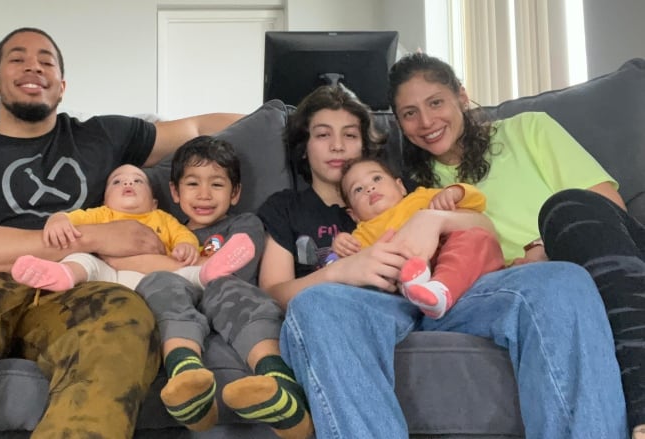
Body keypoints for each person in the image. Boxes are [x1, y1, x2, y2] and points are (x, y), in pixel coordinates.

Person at [0, 27, 243, 438]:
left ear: (61, 86)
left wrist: (296, 121)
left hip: (79, 287)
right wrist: (95, 237)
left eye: (46, 61)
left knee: (125, 318)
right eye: (17, 59)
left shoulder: (102, 136)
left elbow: (196, 129)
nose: (33, 66)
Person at [257, 83, 628, 437]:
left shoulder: (408, 187)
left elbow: (480, 227)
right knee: (314, 306)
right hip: (367, 303)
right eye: (323, 135)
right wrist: (341, 271)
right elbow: (272, 293)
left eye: (350, 135)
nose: (338, 145)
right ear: (303, 146)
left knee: (562, 280)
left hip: (451, 291)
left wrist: (433, 220)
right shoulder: (289, 208)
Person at [389, 51, 644, 438]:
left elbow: (607, 207)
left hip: (596, 250)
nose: (426, 122)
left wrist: (545, 246)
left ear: (462, 95)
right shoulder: (415, 194)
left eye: (436, 102)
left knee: (565, 208)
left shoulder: (528, 129)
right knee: (556, 283)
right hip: (529, 287)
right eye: (409, 113)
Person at [115, 136, 311, 439]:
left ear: (235, 193)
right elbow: (134, 267)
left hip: (232, 304)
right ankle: (187, 376)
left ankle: (280, 385)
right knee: (160, 282)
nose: (204, 194)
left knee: (222, 284)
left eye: (217, 185)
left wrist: (173, 265)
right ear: (174, 192)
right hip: (178, 305)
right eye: (193, 184)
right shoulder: (164, 230)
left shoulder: (244, 223)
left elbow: (238, 266)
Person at [9, 163, 256, 292]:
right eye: (118, 182)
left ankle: (210, 272)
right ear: (105, 198)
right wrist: (58, 218)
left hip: (154, 279)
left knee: (185, 272)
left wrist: (184, 246)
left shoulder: (162, 218)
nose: (128, 182)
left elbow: (184, 235)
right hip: (105, 275)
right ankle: (61, 275)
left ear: (154, 200)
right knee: (81, 258)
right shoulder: (100, 214)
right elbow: (71, 219)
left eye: (138, 181)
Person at [331, 156, 503, 318]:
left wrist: (453, 193)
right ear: (353, 215)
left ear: (401, 186)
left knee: (476, 238)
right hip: (404, 276)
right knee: (392, 266)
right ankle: (417, 287)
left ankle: (440, 291)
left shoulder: (421, 197)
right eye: (358, 189)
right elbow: (350, 269)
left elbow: (476, 202)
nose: (370, 188)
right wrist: (341, 245)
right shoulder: (363, 233)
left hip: (449, 253)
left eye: (376, 179)